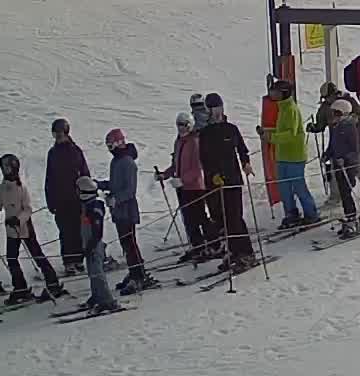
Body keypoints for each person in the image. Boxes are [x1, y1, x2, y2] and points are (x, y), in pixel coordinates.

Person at [0, 154, 66, 305]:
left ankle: (53, 283)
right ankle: (20, 288)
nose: (4, 170)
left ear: (14, 168)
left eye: (7, 167)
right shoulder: (4, 186)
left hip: (25, 228)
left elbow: (28, 209)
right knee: (12, 259)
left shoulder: (21, 188)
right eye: (3, 167)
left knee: (36, 255)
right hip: (11, 230)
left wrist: (18, 219)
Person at [199, 93, 258, 268]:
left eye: (217, 108)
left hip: (232, 180)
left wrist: (246, 163)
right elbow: (204, 158)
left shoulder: (231, 129)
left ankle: (246, 252)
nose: (215, 112)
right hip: (214, 183)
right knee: (221, 219)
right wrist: (212, 174)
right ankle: (232, 251)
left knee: (235, 218)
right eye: (211, 109)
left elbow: (242, 149)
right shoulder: (205, 133)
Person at [99, 129, 156, 293]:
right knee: (125, 243)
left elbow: (130, 190)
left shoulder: (127, 162)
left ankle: (139, 275)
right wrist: (100, 184)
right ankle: (134, 272)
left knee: (130, 243)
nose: (110, 149)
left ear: (119, 143)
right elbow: (115, 183)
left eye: (111, 145)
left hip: (127, 210)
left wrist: (116, 199)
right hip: (117, 211)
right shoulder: (115, 162)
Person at [261, 80, 320, 229]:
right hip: (282, 156)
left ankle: (311, 213)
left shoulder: (291, 109)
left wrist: (272, 138)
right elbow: (282, 131)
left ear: (284, 93)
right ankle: (291, 213)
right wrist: (268, 133)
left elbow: (290, 134)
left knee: (299, 186)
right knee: (284, 188)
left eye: (276, 92)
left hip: (294, 156)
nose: (272, 95)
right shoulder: (282, 108)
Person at [161, 111, 217, 260]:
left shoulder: (195, 142)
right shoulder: (179, 141)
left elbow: (197, 168)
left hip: (195, 187)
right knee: (188, 219)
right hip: (182, 187)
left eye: (184, 125)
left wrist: (183, 180)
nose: (181, 128)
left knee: (199, 216)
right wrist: (164, 174)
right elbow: (176, 164)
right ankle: (197, 245)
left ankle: (214, 243)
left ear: (190, 125)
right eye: (178, 125)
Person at [45, 119, 91, 273]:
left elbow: (84, 173)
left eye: (60, 133)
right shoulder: (53, 153)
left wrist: (87, 193)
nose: (57, 136)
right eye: (55, 133)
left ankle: (78, 259)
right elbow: (49, 178)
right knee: (65, 231)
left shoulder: (75, 151)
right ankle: (68, 261)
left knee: (78, 229)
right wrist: (50, 200)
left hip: (76, 198)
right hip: (60, 199)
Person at [75, 174, 122, 314]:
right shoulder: (86, 206)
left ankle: (107, 301)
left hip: (94, 245)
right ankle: (97, 295)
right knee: (92, 272)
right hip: (88, 244)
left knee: (97, 273)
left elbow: (97, 231)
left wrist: (90, 246)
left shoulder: (94, 208)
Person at [323, 99, 360, 238]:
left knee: (347, 191)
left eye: (336, 113)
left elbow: (355, 148)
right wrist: (327, 154)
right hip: (337, 164)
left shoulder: (350, 127)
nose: (333, 116)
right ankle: (349, 216)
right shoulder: (336, 126)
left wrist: (345, 158)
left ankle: (353, 217)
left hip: (347, 165)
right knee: (342, 191)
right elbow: (333, 144)